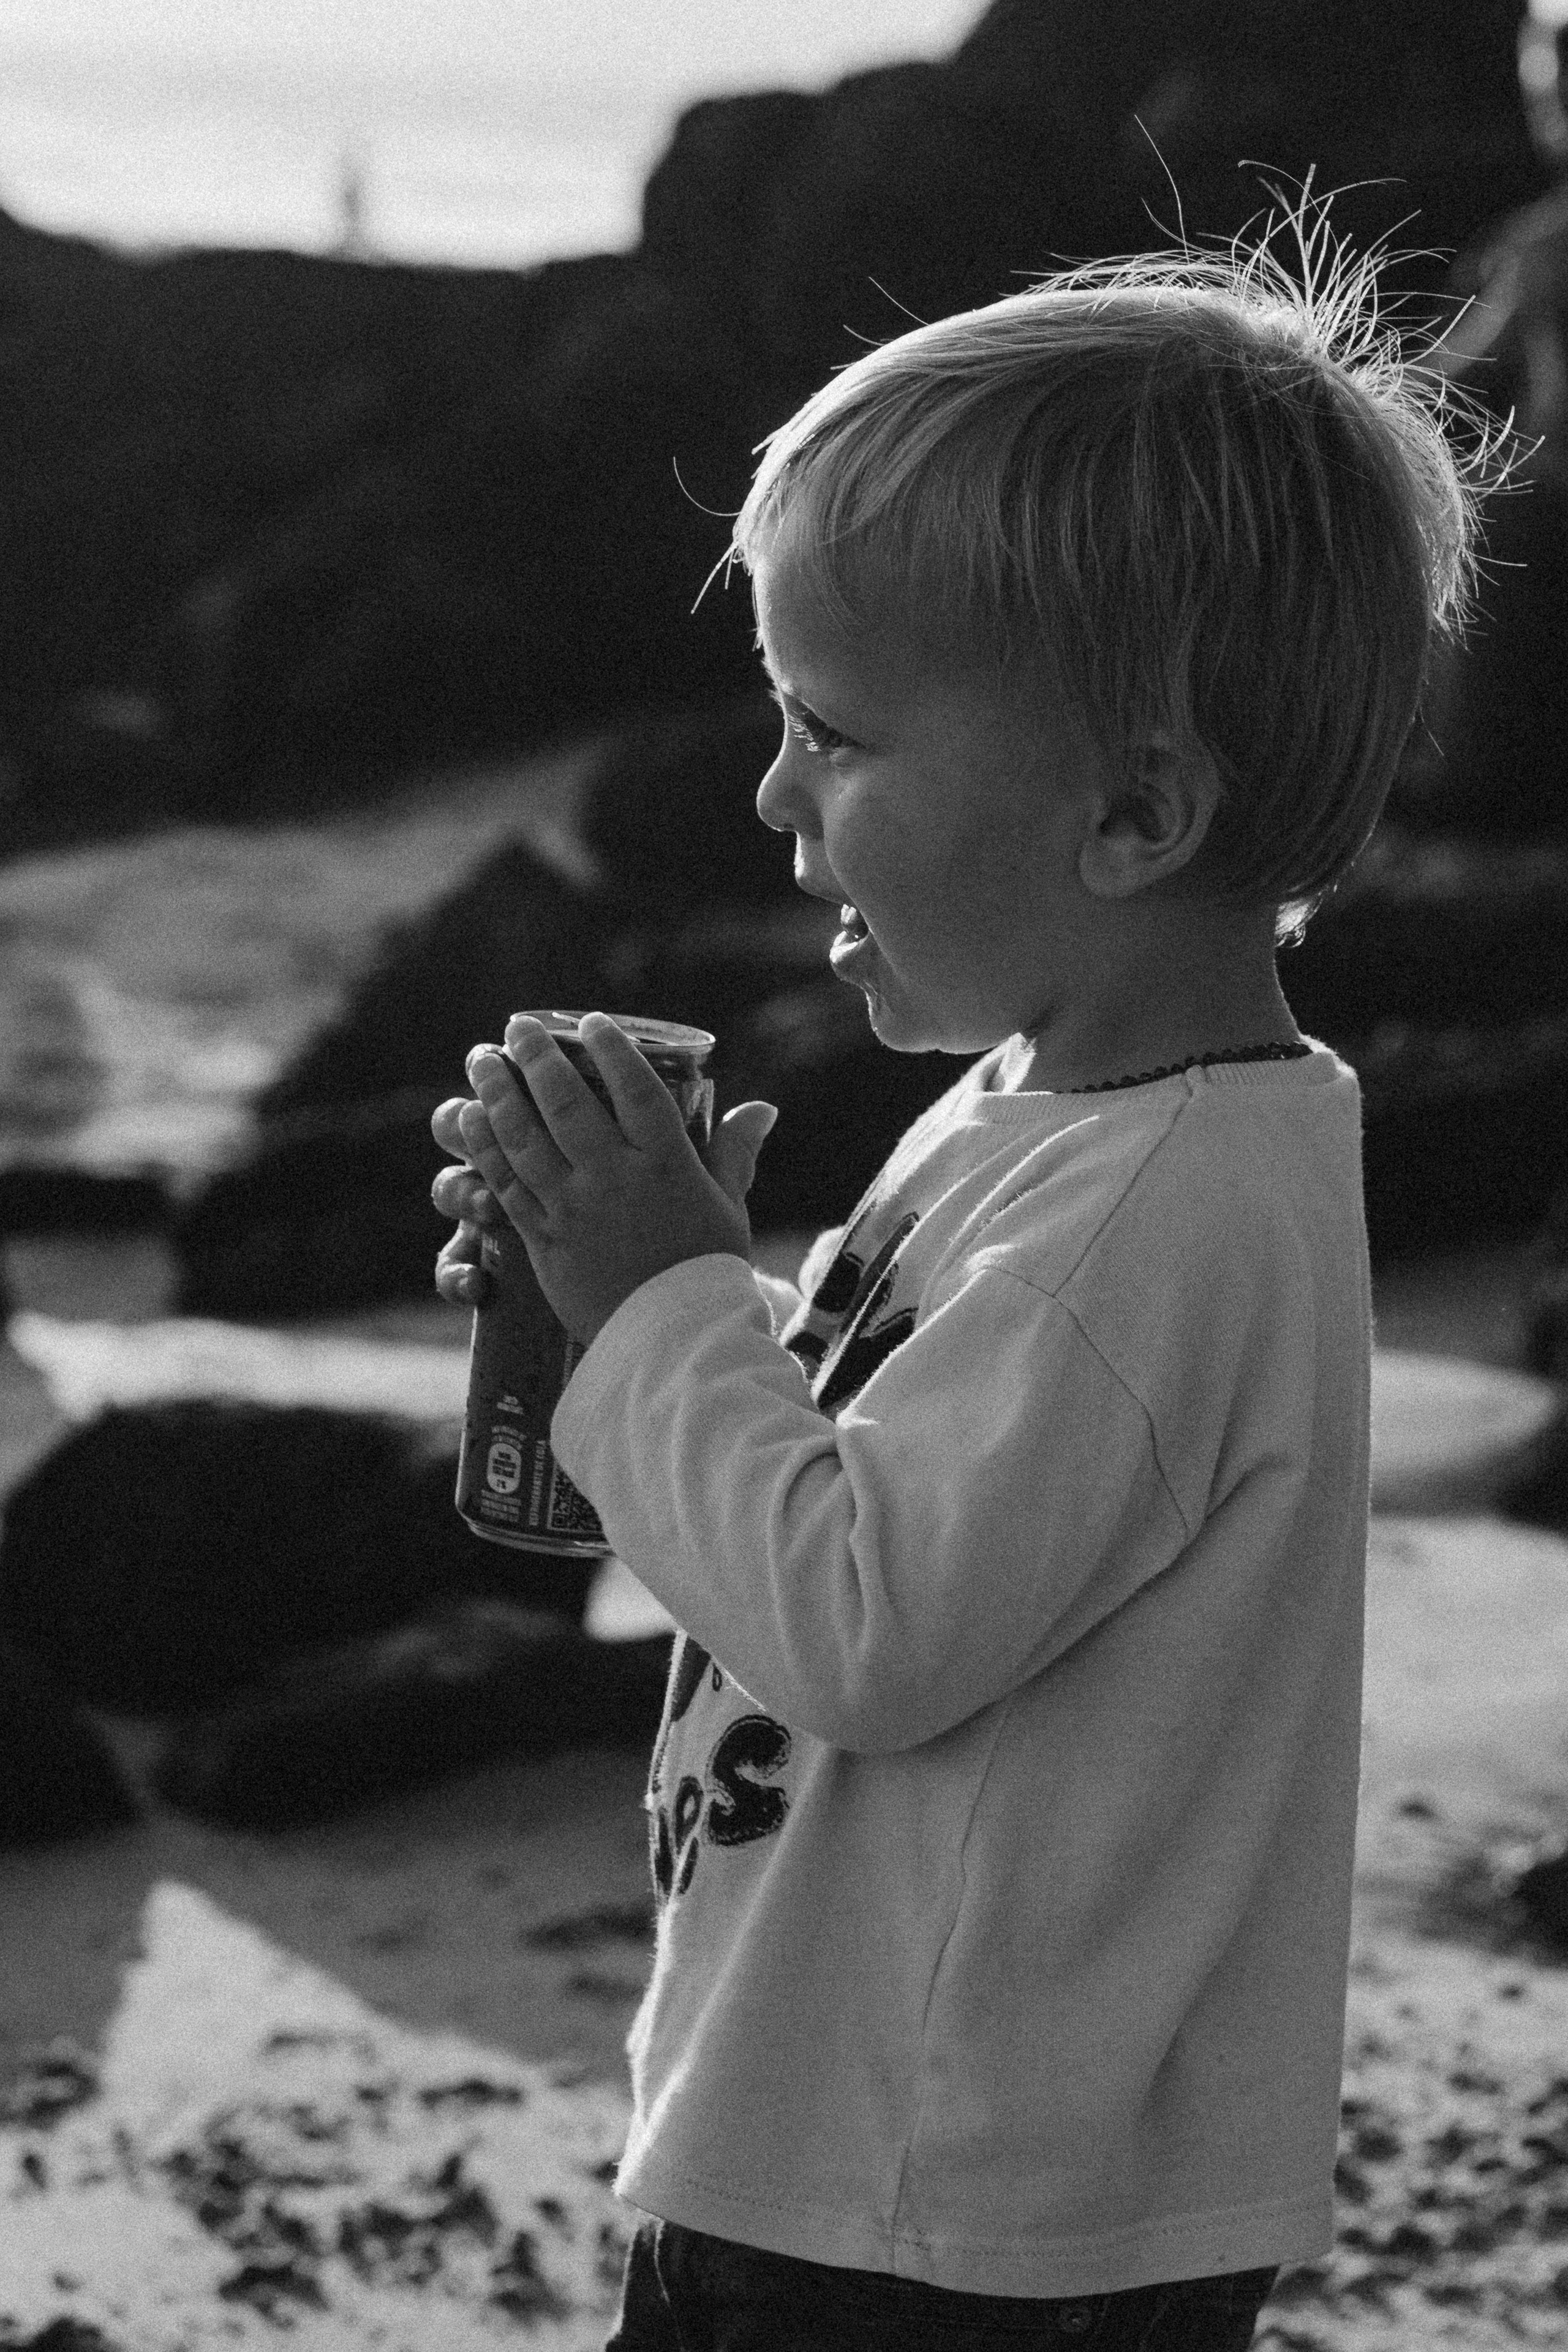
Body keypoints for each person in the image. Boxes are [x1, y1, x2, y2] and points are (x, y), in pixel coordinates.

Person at [429, 220, 1491, 2350]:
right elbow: (840, 1544)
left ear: (1132, 814)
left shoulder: (1150, 1216)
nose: (770, 795)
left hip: (947, 2221)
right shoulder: (1053, 1122)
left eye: (835, 734)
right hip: (899, 2146)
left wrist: (664, 1315)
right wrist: (643, 1309)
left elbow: (868, 1628)